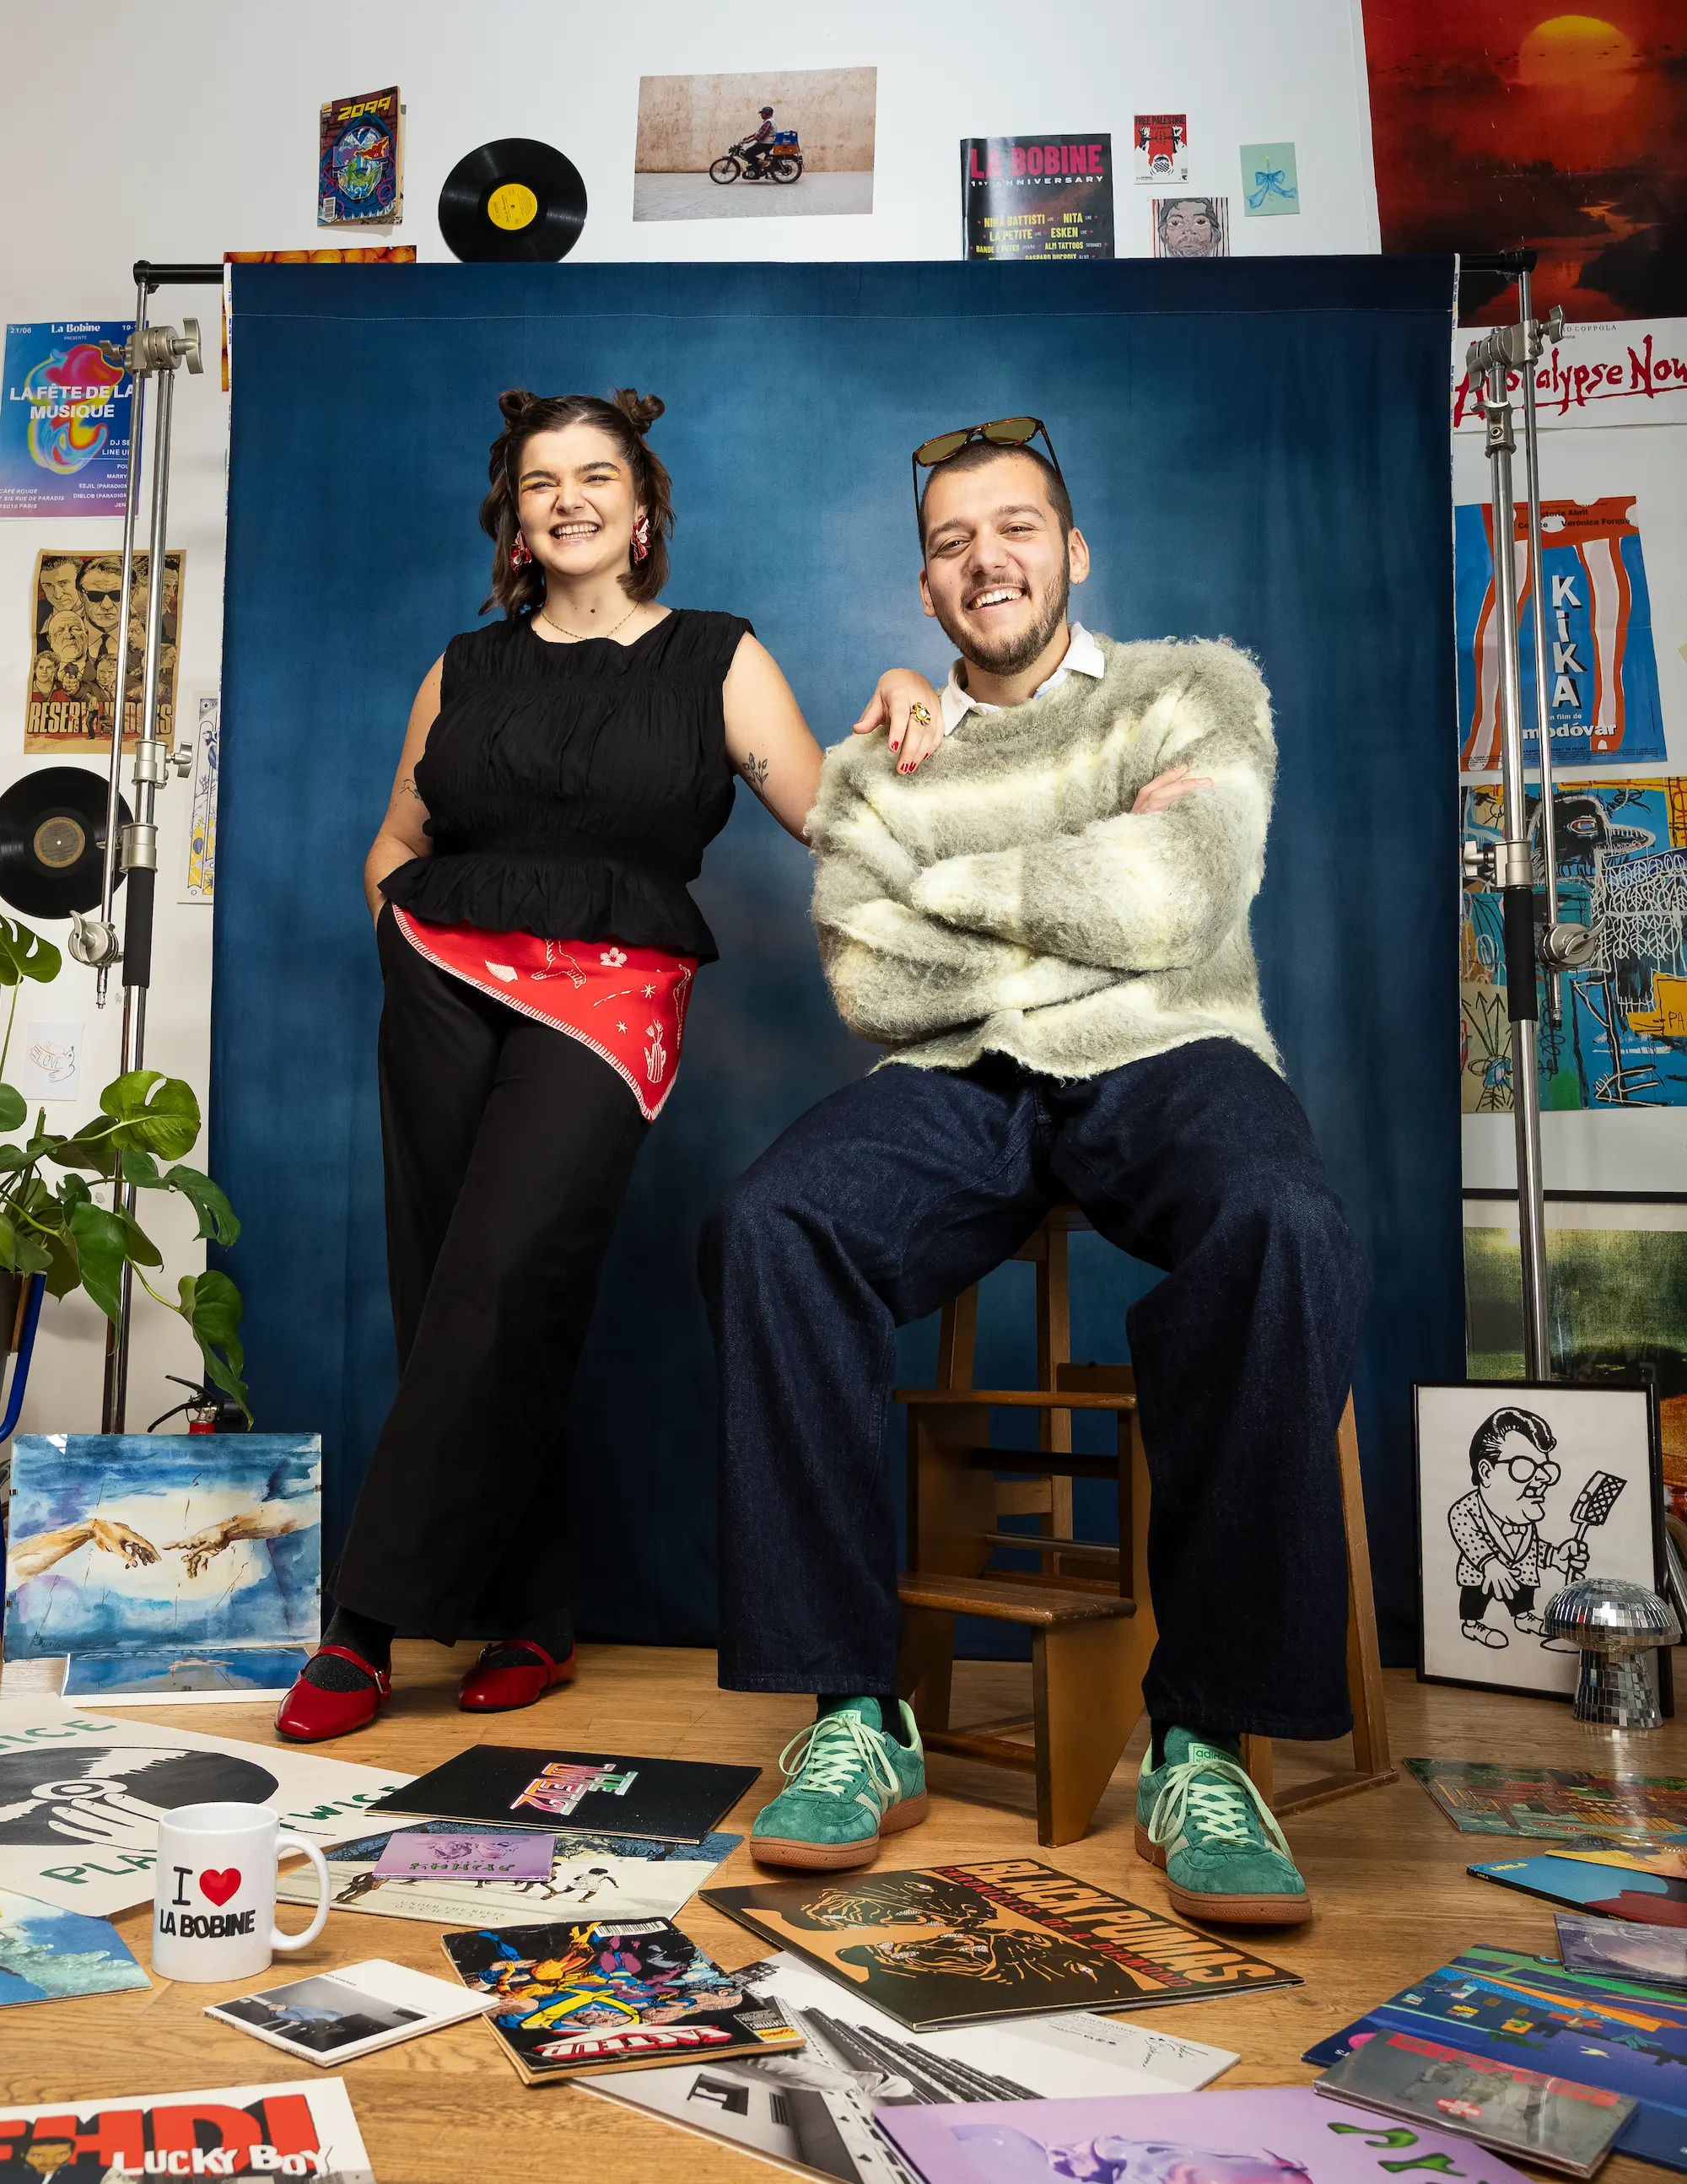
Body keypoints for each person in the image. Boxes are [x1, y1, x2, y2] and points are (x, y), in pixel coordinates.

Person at [701, 417, 1369, 1923]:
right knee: (767, 1224)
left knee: (1284, 1221)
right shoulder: (880, 759)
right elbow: (875, 981)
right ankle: (855, 1711)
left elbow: (1178, 897)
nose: (987, 560)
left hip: (1172, 1049)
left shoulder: (1192, 689)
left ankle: (1206, 1733)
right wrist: (1068, 886)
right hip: (960, 1079)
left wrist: (948, 888)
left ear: (1074, 551)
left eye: (1016, 529)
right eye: (953, 543)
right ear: (928, 588)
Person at [275, 386, 922, 1743]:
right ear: (512, 519)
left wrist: (919, 699)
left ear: (641, 513)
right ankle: (533, 1612)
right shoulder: (464, 665)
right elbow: (397, 838)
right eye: (538, 481)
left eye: (595, 476)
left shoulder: (714, 656)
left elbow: (831, 814)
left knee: (505, 1276)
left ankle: (366, 1622)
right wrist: (399, 928)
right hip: (445, 984)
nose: (566, 497)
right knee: (455, 1292)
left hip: (608, 999)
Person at [1447, 1405, 1587, 1650]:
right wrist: (1489, 1563)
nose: (1543, 1477)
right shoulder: (1468, 1508)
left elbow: (1533, 1548)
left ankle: (1523, 1617)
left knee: (1524, 1590)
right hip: (1480, 1574)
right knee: (1475, 1597)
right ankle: (1472, 1625)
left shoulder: (1523, 1518)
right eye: (1524, 1466)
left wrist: (1557, 1556)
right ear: (1486, 1471)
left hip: (1519, 1571)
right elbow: (1463, 1529)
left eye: (1545, 1468)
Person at [738, 105, 777, 177]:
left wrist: (748, 141)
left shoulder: (768, 122)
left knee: (747, 154)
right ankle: (756, 168)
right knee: (750, 153)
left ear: (767, 114)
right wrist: (748, 137)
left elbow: (760, 136)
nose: (761, 115)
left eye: (763, 113)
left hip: (766, 144)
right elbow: (758, 133)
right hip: (766, 143)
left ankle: (764, 163)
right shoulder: (768, 121)